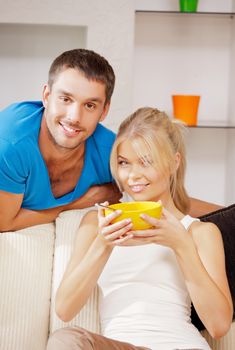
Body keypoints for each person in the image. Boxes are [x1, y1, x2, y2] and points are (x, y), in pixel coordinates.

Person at [47, 107, 233, 350]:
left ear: (174, 162)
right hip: (122, 345)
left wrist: (181, 245)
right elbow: (65, 309)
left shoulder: (199, 232)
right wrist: (103, 244)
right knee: (65, 341)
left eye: (146, 162)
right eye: (124, 163)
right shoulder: (97, 224)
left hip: (181, 345)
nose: (133, 175)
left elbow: (219, 327)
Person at [0, 48, 122, 232]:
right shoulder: (10, 144)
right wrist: (81, 202)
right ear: (47, 96)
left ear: (104, 111)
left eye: (90, 105)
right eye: (65, 99)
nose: (74, 117)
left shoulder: (111, 152)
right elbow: (4, 223)